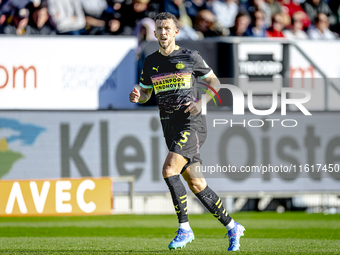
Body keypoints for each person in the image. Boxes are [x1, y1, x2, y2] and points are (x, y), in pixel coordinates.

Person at [129, 12, 245, 252]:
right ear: (155, 33)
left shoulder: (190, 56)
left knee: (169, 170)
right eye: (159, 28)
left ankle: (185, 228)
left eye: (167, 28)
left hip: (192, 123)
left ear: (176, 32)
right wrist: (139, 97)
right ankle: (232, 226)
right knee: (197, 183)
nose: (163, 32)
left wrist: (201, 103)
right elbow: (147, 93)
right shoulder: (150, 62)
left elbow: (215, 83)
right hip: (169, 125)